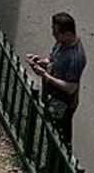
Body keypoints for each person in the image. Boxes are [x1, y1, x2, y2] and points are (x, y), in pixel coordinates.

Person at [28, 12, 87, 149]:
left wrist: (46, 76)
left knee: (58, 137)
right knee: (51, 129)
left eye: (56, 33)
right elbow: (53, 60)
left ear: (67, 34)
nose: (53, 35)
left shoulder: (76, 57)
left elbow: (70, 87)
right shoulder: (61, 44)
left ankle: (57, 166)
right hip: (52, 95)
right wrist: (41, 61)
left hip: (63, 102)